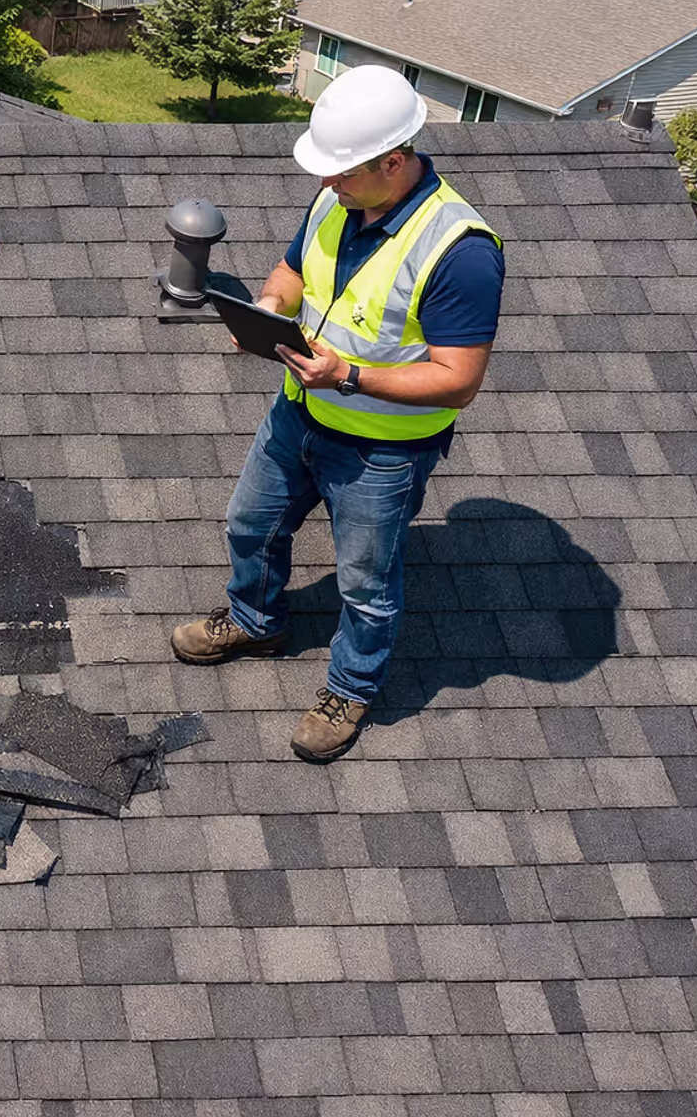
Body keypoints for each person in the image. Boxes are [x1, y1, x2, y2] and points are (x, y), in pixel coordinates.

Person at [172, 64, 505, 763]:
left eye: (344, 174)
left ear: (395, 161)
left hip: (381, 452)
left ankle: (349, 689)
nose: (328, 184)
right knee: (250, 523)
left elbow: (459, 382)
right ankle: (255, 620)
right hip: (298, 412)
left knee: (366, 582)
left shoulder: (460, 252)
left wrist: (347, 374)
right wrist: (264, 314)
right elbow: (292, 274)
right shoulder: (337, 198)